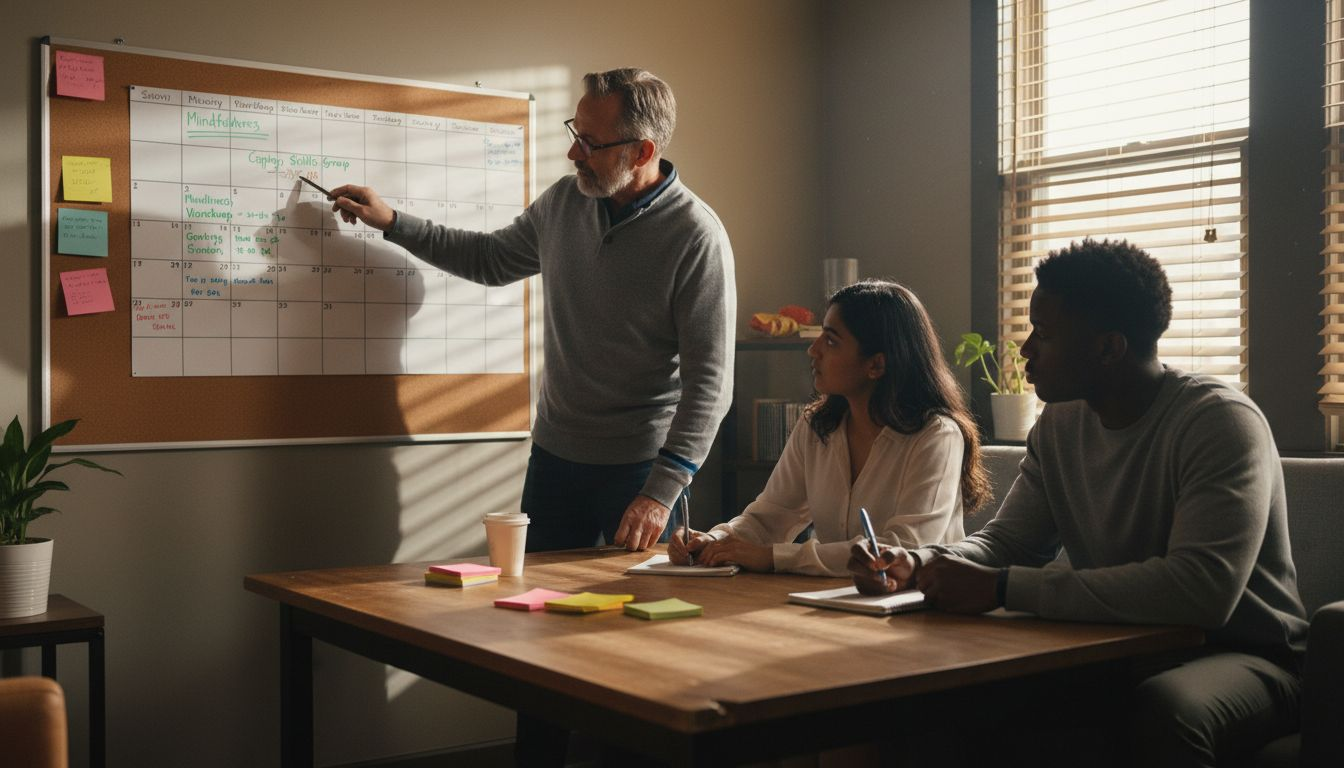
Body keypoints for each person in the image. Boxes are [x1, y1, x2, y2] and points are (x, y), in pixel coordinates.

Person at [848, 239, 1308, 766]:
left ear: (1108, 348)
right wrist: (923, 563)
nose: (1024, 350)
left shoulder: (1219, 422)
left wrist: (1002, 588)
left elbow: (1202, 590)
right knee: (949, 697)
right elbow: (1012, 541)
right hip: (1121, 648)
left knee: (1167, 708)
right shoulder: (1060, 424)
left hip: (1248, 656)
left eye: (1042, 334)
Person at [328, 69, 735, 554]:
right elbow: (489, 259)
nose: (572, 153)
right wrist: (392, 222)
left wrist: (661, 493)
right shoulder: (565, 202)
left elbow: (711, 382)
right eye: (573, 134)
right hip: (555, 458)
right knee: (540, 611)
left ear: (642, 152)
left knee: (644, 615)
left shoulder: (696, 237)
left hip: (641, 471)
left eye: (589, 143)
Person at [670, 279, 990, 575]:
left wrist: (773, 557)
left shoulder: (936, 436)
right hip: (832, 601)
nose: (813, 350)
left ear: (876, 364)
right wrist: (716, 541)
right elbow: (770, 517)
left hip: (919, 609)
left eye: (831, 341)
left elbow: (902, 549)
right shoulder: (816, 427)